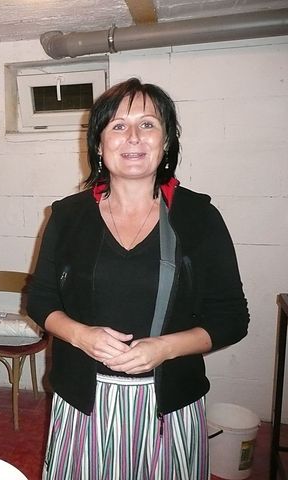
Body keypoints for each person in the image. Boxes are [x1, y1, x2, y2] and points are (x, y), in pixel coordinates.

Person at [27, 77, 249, 479]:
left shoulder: (199, 218)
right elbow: (41, 299)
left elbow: (232, 317)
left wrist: (164, 348)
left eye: (147, 124)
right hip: (83, 403)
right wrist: (81, 336)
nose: (133, 137)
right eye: (118, 125)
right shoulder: (68, 216)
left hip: (169, 406)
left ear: (166, 141)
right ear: (99, 144)